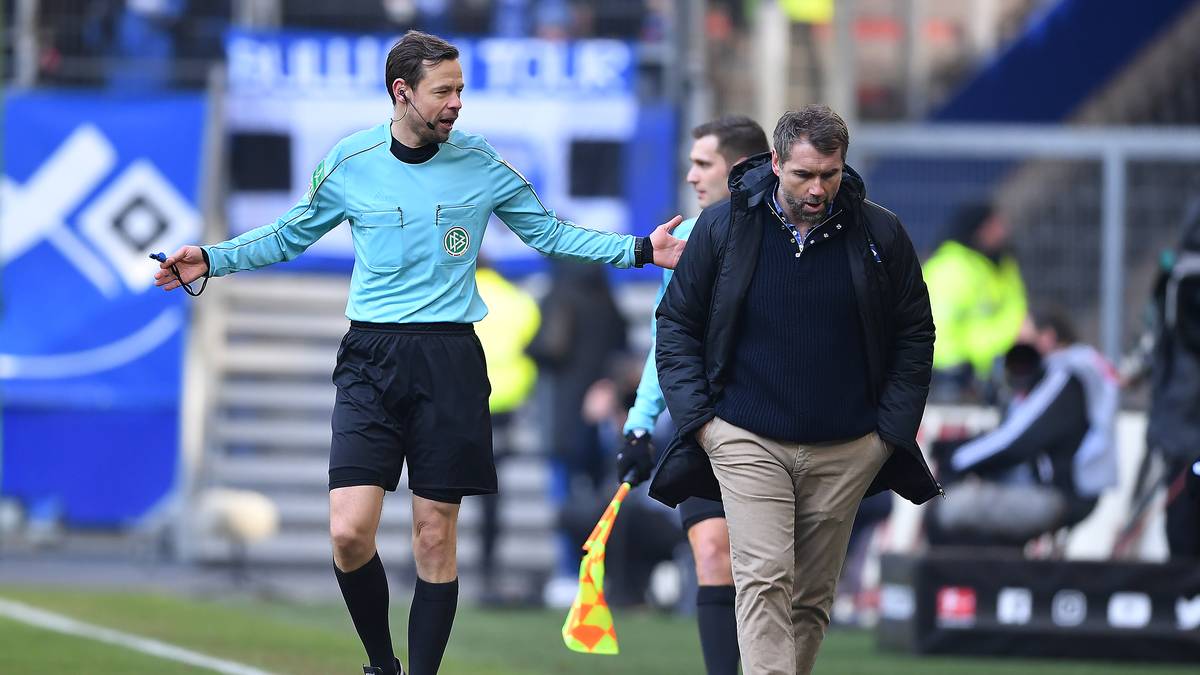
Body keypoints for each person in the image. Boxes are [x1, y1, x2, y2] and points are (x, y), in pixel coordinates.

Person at [153, 30, 685, 675]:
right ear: (402, 93)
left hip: (450, 359)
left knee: (435, 534)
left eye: (461, 89)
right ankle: (382, 662)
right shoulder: (352, 160)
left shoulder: (483, 163)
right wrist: (212, 258)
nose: (457, 102)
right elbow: (291, 233)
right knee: (349, 532)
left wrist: (637, 249)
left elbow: (548, 231)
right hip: (370, 358)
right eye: (444, 91)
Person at [652, 104, 940, 675]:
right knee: (763, 580)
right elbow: (676, 323)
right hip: (744, 437)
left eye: (829, 174)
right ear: (776, 162)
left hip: (849, 446)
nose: (817, 188)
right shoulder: (724, 225)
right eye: (804, 174)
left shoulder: (881, 233)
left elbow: (915, 333)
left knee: (809, 598)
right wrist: (701, 422)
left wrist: (889, 433)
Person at [615, 114, 769, 675]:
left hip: (774, 427)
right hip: (704, 425)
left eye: (703, 163)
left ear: (741, 168)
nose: (690, 175)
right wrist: (639, 420)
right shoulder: (679, 248)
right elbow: (667, 339)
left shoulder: (785, 238)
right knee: (712, 554)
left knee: (771, 576)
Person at [929, 309, 1119, 547]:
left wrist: (955, 457)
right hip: (1055, 490)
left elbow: (1016, 441)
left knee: (948, 506)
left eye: (1023, 341)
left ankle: (952, 581)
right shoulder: (1063, 373)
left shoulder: (1064, 376)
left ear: (1047, 338)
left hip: (1060, 495)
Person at [1123, 203, 1200, 558]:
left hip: (1178, 422)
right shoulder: (1180, 276)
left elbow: (1153, 337)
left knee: (1180, 520)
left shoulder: (1176, 273)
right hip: (1181, 422)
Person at [472, 259, 540, 602]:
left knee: (438, 488)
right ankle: (488, 564)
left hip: (464, 404)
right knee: (491, 494)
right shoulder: (519, 301)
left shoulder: (457, 294)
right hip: (506, 407)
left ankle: (422, 561)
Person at [922, 202, 1027, 401]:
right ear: (979, 229)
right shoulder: (951, 267)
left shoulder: (1003, 263)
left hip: (1003, 366)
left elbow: (1017, 310)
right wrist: (956, 371)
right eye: (994, 224)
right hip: (961, 376)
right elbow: (937, 329)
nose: (1003, 230)